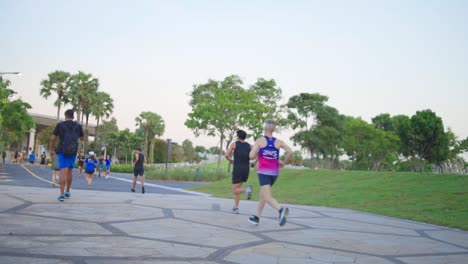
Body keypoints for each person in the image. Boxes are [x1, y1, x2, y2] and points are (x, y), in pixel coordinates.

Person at [248, 120, 293, 227]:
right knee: (262, 194)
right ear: (273, 129)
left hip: (264, 172)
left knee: (267, 197)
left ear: (264, 128)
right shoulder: (279, 142)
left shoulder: (260, 141)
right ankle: (257, 217)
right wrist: (284, 163)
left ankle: (281, 210)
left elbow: (251, 156)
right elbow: (290, 151)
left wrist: (255, 150)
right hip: (274, 173)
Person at [49, 109, 84, 202]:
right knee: (69, 171)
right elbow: (82, 138)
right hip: (72, 151)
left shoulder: (60, 125)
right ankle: (68, 191)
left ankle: (61, 194)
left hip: (62, 150)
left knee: (62, 172)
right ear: (73, 117)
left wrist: (51, 149)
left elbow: (53, 138)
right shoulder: (78, 126)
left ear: (65, 116)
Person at [224, 130, 253, 214]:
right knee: (237, 189)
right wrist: (254, 162)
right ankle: (236, 208)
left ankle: (246, 190)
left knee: (234, 190)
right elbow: (258, 153)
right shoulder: (250, 146)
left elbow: (226, 155)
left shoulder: (234, 144)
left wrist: (230, 160)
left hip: (238, 169)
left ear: (238, 136)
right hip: (246, 169)